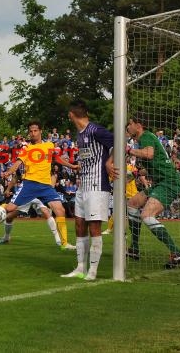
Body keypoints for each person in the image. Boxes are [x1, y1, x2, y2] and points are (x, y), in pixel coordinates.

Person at [0, 121, 78, 251]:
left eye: (35, 131)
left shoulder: (49, 145)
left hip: (45, 186)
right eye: (31, 131)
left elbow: (57, 158)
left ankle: (64, 244)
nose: (33, 133)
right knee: (10, 208)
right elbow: (17, 163)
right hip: (30, 184)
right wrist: (9, 171)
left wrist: (72, 166)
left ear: (40, 131)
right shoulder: (27, 148)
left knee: (60, 210)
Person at [61, 100, 115, 281]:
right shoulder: (80, 134)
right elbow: (89, 155)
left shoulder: (96, 130)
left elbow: (118, 143)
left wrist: (109, 162)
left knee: (94, 228)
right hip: (83, 185)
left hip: (97, 186)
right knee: (79, 225)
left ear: (71, 115)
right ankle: (80, 268)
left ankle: (92, 271)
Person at [125, 112, 180, 269]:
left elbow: (149, 154)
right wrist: (136, 174)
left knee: (146, 215)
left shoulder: (145, 136)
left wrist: (128, 150)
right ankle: (134, 248)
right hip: (161, 181)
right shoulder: (143, 139)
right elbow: (154, 165)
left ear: (139, 126)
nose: (128, 126)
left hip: (169, 182)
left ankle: (176, 253)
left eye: (131, 123)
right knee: (132, 203)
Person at [0, 173, 63, 247]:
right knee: (9, 216)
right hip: (27, 191)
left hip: (40, 190)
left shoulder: (42, 163)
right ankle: (5, 236)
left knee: (46, 213)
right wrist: (8, 189)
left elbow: (53, 175)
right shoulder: (23, 163)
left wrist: (50, 189)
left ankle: (58, 239)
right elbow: (15, 177)